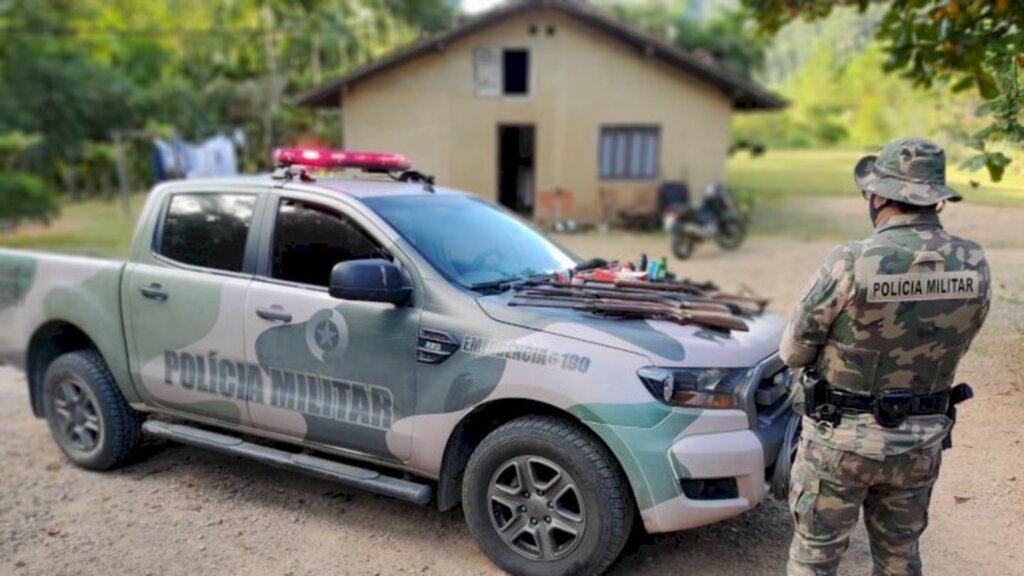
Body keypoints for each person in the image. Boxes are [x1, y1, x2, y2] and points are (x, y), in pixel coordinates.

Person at [779, 137, 992, 576]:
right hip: (919, 441)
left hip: (840, 442)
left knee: (814, 557)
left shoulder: (851, 261)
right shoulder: (973, 261)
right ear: (935, 200)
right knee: (899, 557)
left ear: (879, 196)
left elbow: (793, 351)